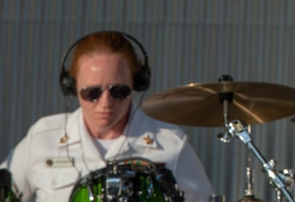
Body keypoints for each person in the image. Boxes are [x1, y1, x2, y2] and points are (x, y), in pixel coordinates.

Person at [1, 31, 215, 202]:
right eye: (91, 93)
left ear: (137, 84)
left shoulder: (170, 145)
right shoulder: (43, 137)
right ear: (71, 87)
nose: (105, 103)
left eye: (118, 91)